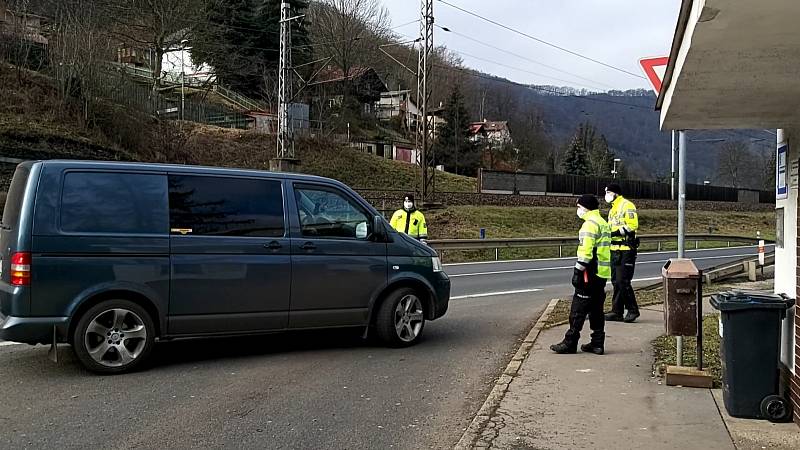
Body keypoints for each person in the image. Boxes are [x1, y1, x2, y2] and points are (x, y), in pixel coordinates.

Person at [551, 194, 612, 355]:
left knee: (578, 308)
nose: (578, 210)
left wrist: (578, 270)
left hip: (589, 272)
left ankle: (570, 342)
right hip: (601, 273)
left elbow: (586, 252)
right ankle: (597, 343)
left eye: (579, 207)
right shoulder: (602, 223)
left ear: (585, 207)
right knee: (596, 309)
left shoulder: (589, 225)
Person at [603, 183, 641, 323]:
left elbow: (632, 225)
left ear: (615, 193)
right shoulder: (613, 209)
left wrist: (616, 232)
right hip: (615, 249)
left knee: (623, 281)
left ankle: (633, 310)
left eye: (608, 192)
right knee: (615, 282)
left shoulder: (627, 205)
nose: (606, 196)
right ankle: (616, 311)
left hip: (626, 249)